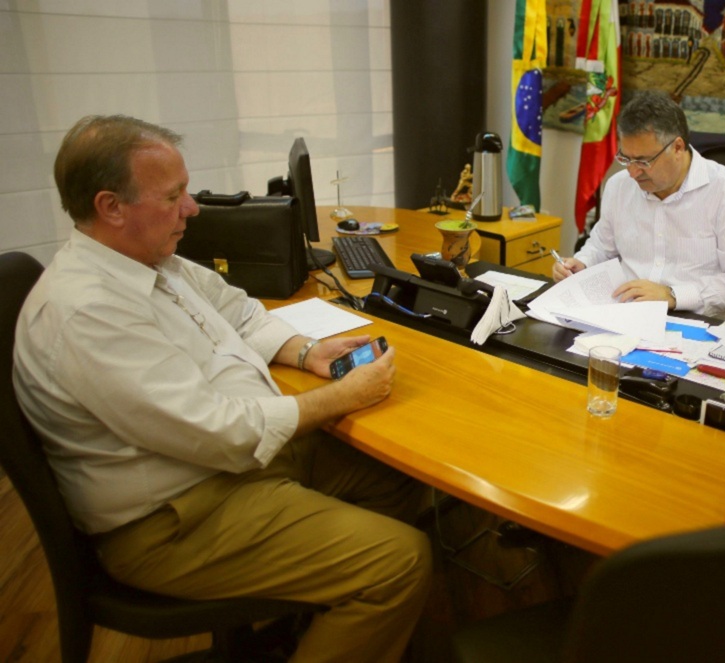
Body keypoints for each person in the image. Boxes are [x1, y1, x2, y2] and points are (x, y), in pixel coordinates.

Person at [12, 115, 431, 663]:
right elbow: (216, 431)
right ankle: (359, 604)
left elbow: (235, 309)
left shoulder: (145, 259)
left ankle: (331, 619)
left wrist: (306, 351)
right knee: (400, 563)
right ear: (111, 207)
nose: (192, 208)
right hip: (175, 516)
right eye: (174, 196)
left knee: (396, 478)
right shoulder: (85, 311)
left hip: (226, 466)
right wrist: (338, 400)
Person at [554, 90, 725, 320]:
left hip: (700, 322)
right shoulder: (619, 186)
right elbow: (600, 247)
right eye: (626, 158)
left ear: (677, 147)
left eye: (643, 161)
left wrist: (673, 295)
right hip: (626, 315)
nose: (633, 172)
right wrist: (581, 264)